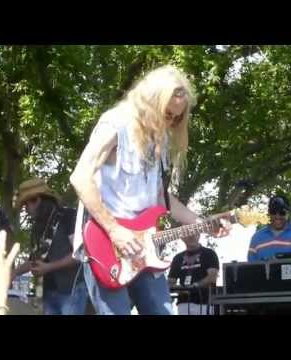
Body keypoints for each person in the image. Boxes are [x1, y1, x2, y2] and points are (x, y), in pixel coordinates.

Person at [70, 65, 231, 315]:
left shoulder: (161, 139)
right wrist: (115, 231)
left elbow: (161, 199)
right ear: (152, 101)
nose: (172, 122)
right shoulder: (115, 123)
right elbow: (80, 177)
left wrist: (203, 222)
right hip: (105, 242)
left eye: (177, 118)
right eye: (168, 114)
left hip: (146, 247)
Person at [12, 178, 88, 315]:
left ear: (38, 200)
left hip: (72, 291)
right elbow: (33, 261)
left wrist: (49, 267)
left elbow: (80, 254)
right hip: (48, 293)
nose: (25, 209)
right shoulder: (37, 228)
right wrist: (12, 273)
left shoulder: (68, 216)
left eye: (27, 204)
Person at [248, 195, 291, 262]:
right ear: (269, 212)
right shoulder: (256, 238)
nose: (277, 216)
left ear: (288, 212)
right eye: (273, 212)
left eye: (282, 213)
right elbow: (251, 268)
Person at [168, 234, 219, 315]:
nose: (191, 237)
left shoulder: (209, 253)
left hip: (205, 303)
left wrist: (194, 286)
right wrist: (179, 289)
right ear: (182, 238)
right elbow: (170, 282)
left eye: (194, 234)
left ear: (199, 235)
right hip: (183, 304)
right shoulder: (178, 258)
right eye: (188, 235)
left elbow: (212, 277)